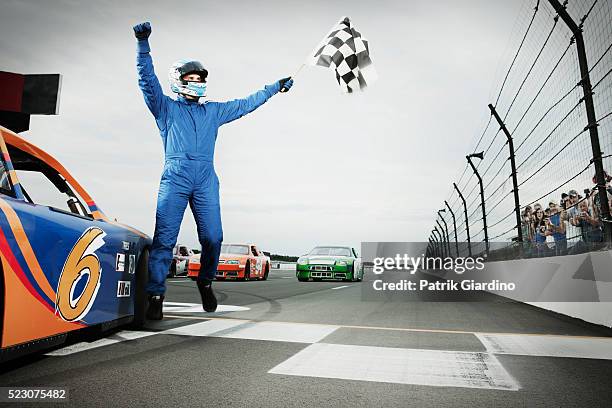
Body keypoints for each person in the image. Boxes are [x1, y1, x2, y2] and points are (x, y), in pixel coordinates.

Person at [133, 22, 294, 320]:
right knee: (165, 239)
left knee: (213, 238)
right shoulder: (165, 108)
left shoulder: (214, 111)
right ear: (179, 81)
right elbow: (147, 81)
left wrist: (274, 88)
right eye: (192, 78)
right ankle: (155, 294)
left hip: (206, 178)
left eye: (200, 78)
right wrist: (143, 44)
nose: (198, 82)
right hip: (175, 176)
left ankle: (205, 280)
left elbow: (246, 104)